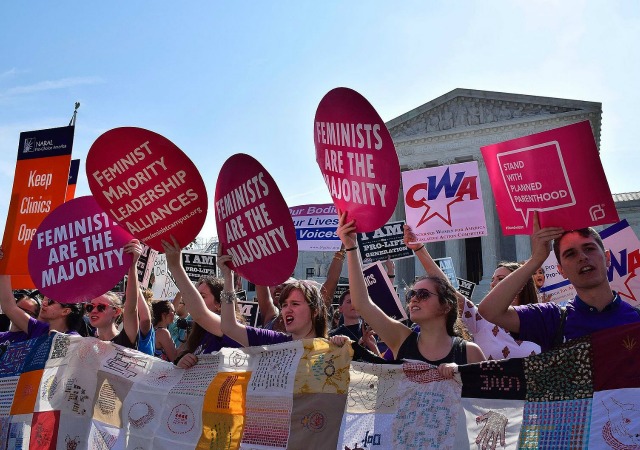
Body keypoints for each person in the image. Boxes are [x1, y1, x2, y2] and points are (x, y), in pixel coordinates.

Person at [337, 214, 485, 378]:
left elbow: (489, 402)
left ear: (446, 305)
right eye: (411, 294)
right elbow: (363, 304)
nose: (414, 299)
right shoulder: (401, 339)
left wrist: (461, 375)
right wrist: (351, 247)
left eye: (423, 294)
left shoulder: (470, 352)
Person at [479, 214, 640, 352]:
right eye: (570, 254)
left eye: (589, 248)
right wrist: (536, 260)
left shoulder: (635, 318)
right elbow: (489, 311)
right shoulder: (552, 319)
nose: (583, 257)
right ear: (561, 270)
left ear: (607, 258)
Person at [217, 247, 343, 347]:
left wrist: (342, 250)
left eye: (295, 303)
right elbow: (229, 327)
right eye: (284, 304)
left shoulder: (331, 348)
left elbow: (331, 282)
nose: (287, 309)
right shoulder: (273, 341)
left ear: (315, 311)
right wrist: (228, 276)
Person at [161, 236, 242, 369]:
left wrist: (175, 266)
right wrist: (182, 362)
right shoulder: (198, 334)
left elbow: (200, 313)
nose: (195, 300)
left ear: (219, 304)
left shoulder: (229, 329)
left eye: (202, 296)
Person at [460, 261, 541, 360]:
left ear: (521, 285)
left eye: (501, 279)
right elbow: (448, 291)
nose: (493, 284)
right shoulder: (479, 319)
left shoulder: (541, 319)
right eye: (492, 279)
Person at [86, 239, 142, 349]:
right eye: (89, 307)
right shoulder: (88, 344)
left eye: (101, 307)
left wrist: (132, 265)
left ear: (116, 311)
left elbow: (131, 308)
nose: (94, 310)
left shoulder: (124, 340)